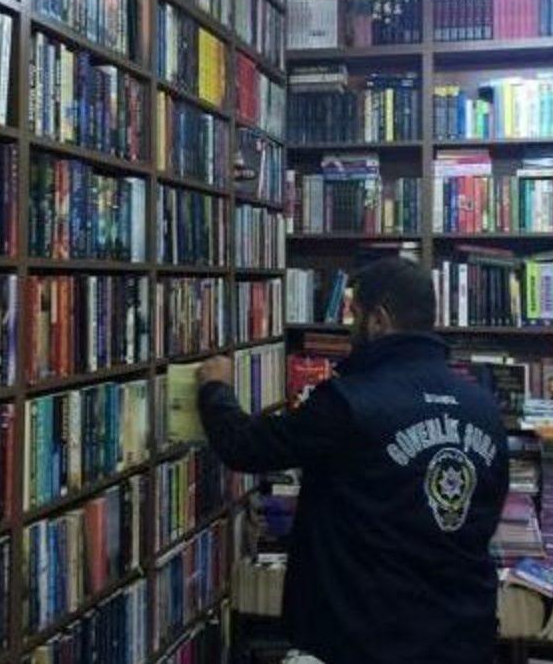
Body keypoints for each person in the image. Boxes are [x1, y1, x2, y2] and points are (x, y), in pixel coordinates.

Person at [196, 256, 510, 664]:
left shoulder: (348, 401)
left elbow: (246, 447)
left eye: (355, 315)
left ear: (378, 320)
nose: (350, 329)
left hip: (366, 636)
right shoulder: (483, 406)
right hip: (462, 635)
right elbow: (486, 509)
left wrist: (216, 389)